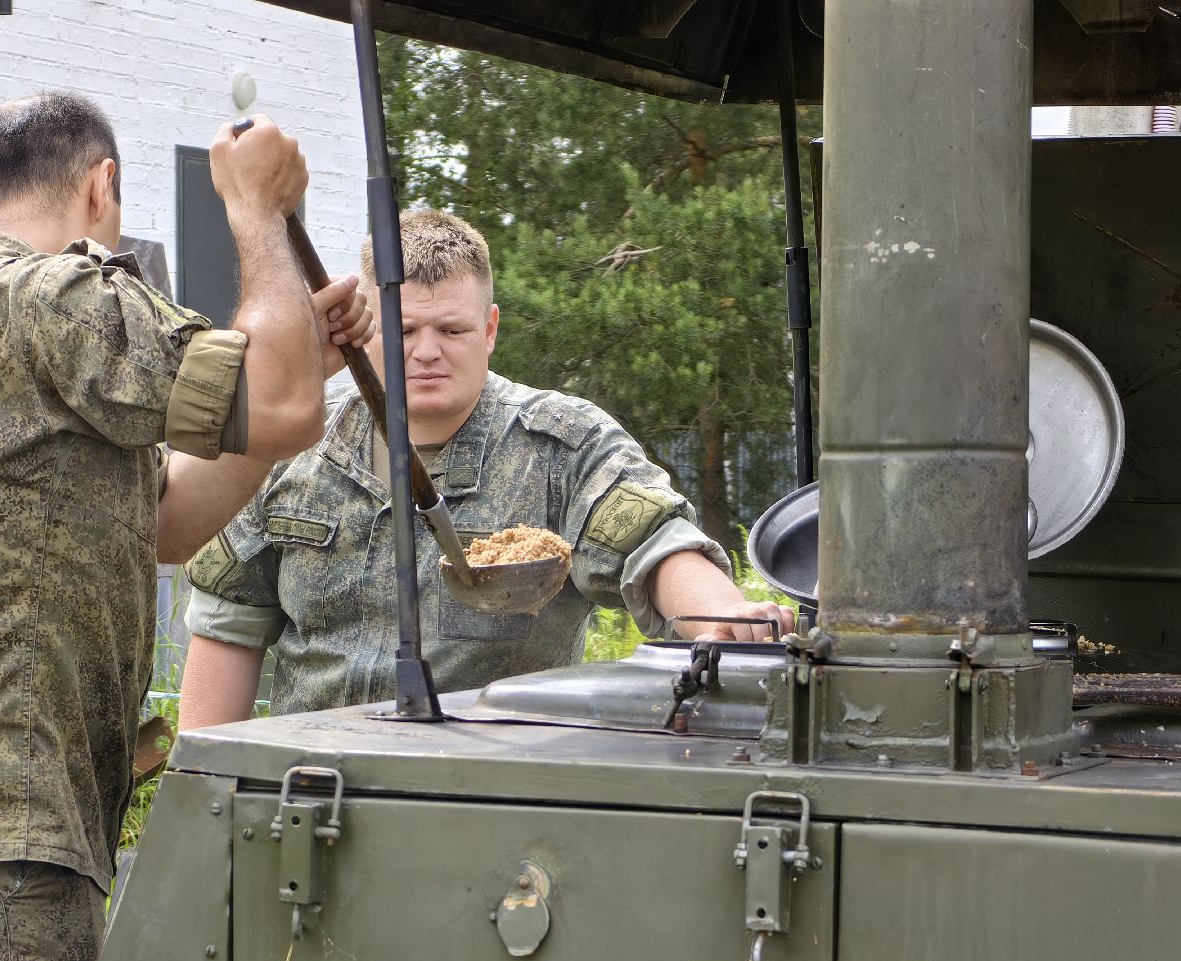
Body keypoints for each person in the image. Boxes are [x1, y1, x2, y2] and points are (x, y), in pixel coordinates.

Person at [0, 92, 372, 961]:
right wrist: (257, 214)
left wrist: (288, 372)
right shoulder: (53, 297)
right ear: (104, 189)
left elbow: (164, 521)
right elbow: (291, 403)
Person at [179, 209, 792, 727]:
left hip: (495, 818)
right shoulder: (289, 448)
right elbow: (226, 626)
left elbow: (656, 545)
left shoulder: (562, 446)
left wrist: (721, 616)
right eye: (404, 328)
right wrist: (202, 794)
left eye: (452, 329)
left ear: (491, 329)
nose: (426, 351)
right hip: (310, 812)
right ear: (363, 329)